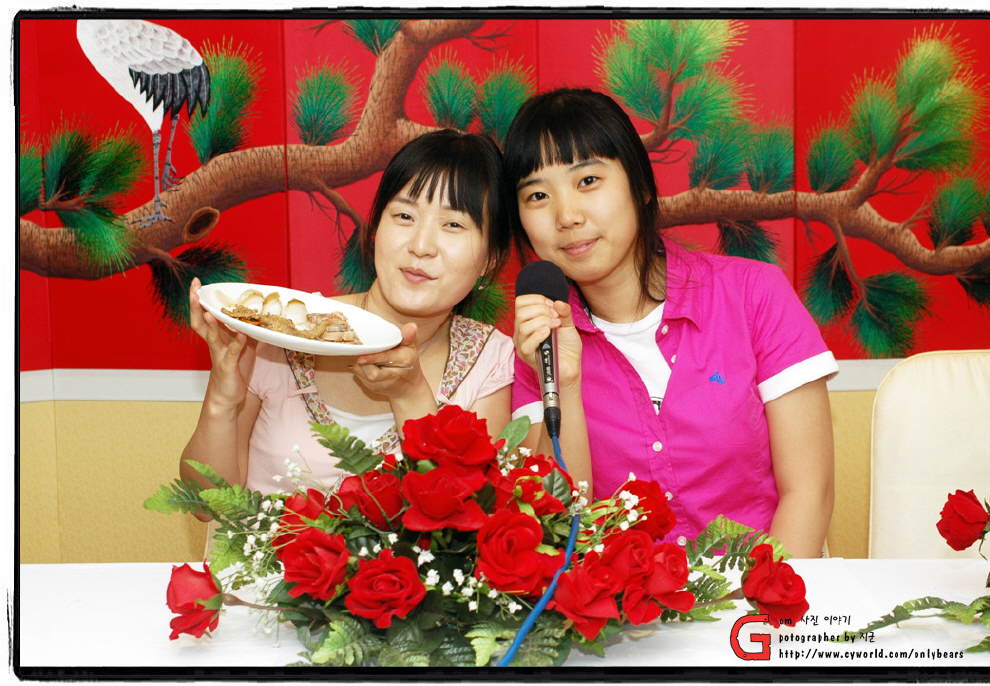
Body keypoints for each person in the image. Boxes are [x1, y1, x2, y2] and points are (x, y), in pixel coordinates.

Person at [505, 89, 837, 558]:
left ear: (640, 186)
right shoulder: (537, 344)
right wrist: (566, 381)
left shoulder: (754, 294)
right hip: (622, 603)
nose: (567, 216)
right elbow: (560, 528)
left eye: (588, 181)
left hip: (765, 588)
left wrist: (763, 602)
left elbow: (809, 493)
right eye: (538, 195)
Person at [181, 129, 514, 501]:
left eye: (453, 225)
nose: (421, 246)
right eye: (404, 215)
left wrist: (410, 396)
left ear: (490, 259)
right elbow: (205, 504)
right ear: (375, 230)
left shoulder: (488, 360)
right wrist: (223, 399)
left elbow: (467, 515)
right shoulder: (285, 329)